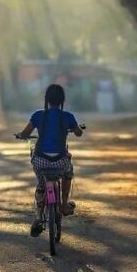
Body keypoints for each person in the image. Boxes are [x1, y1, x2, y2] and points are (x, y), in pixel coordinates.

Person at [16, 84, 83, 237]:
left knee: (40, 179)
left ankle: (39, 213)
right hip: (60, 162)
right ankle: (64, 205)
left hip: (41, 161)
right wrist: (76, 128)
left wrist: (21, 135)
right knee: (68, 172)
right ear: (62, 100)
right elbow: (78, 133)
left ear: (46, 100)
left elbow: (26, 133)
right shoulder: (68, 117)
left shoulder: (38, 115)